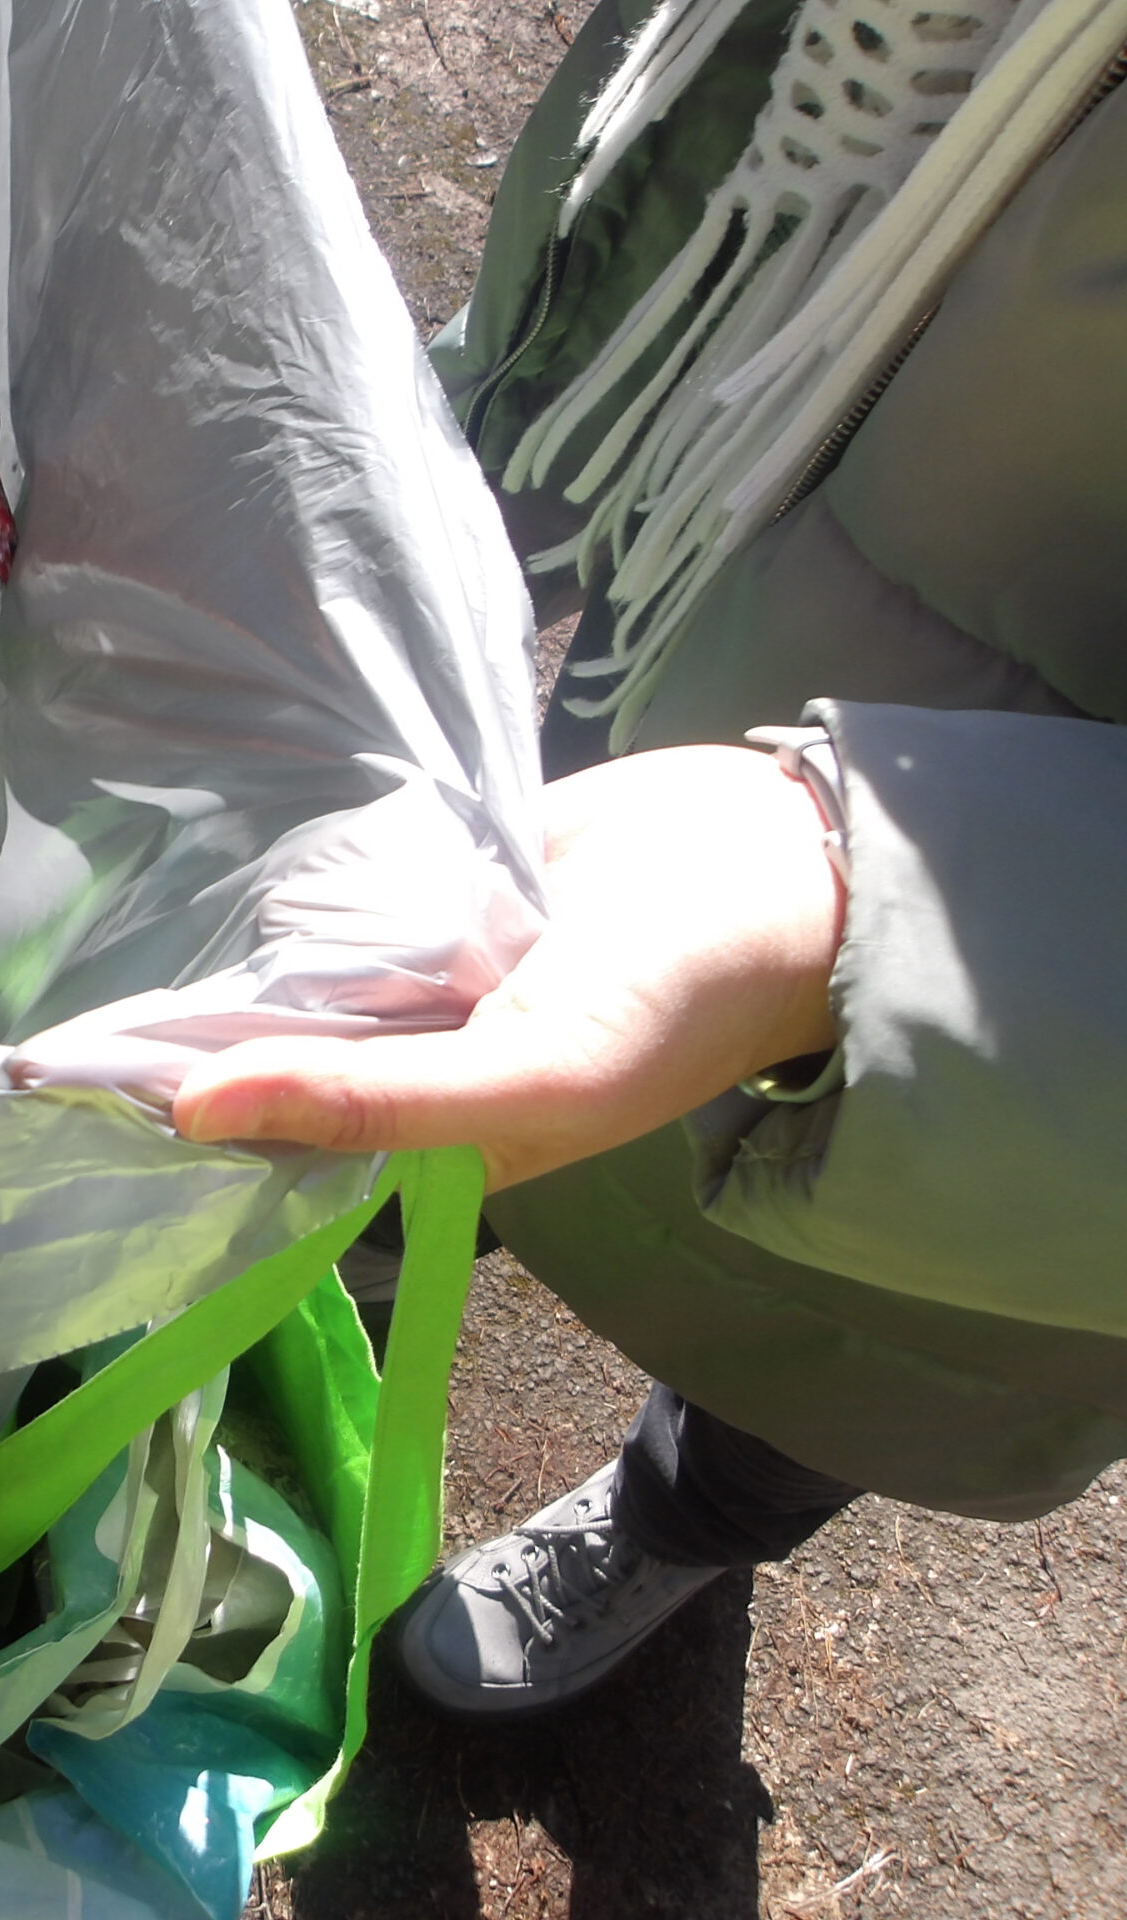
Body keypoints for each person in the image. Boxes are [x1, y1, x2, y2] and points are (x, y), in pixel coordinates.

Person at [175, 0, 1127, 1714]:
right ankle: (351, 1258)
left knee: (877, 1329)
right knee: (460, 1014)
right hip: (727, 570)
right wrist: (505, 412)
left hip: (1046, 1014)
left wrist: (869, 898)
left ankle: (686, 1513)